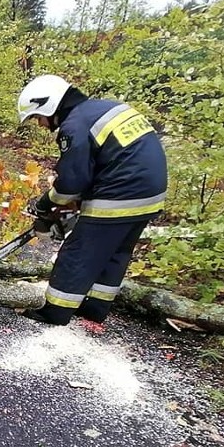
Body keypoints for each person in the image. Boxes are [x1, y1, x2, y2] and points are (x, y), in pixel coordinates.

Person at [16, 74, 168, 325]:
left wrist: (44, 204)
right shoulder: (104, 108)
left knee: (79, 252)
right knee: (114, 252)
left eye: (37, 118)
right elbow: (107, 163)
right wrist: (78, 203)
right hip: (150, 193)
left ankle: (55, 312)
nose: (41, 125)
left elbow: (71, 183)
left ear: (49, 106)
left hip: (120, 193)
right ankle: (95, 308)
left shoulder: (74, 125)